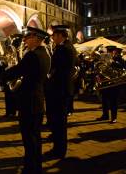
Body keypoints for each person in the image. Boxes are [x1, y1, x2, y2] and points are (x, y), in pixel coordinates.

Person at [10, 26, 50, 174]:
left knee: (29, 137)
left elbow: (19, 69)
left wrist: (5, 72)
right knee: (35, 136)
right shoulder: (45, 54)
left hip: (29, 101)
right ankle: (35, 165)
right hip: (37, 100)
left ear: (36, 38)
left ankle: (31, 168)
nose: (25, 40)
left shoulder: (32, 55)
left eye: (28, 37)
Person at [46, 25, 77, 159]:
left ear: (60, 36)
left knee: (59, 122)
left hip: (60, 89)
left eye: (54, 36)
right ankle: (58, 146)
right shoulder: (67, 47)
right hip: (62, 89)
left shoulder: (63, 49)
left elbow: (57, 69)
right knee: (59, 121)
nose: (52, 38)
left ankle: (59, 150)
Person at [96, 46, 124, 123]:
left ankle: (114, 117)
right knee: (104, 100)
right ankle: (105, 115)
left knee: (113, 101)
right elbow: (100, 68)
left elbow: (123, 66)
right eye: (109, 51)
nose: (110, 53)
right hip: (105, 82)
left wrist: (112, 62)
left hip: (115, 83)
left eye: (111, 51)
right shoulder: (103, 59)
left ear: (114, 52)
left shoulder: (119, 59)